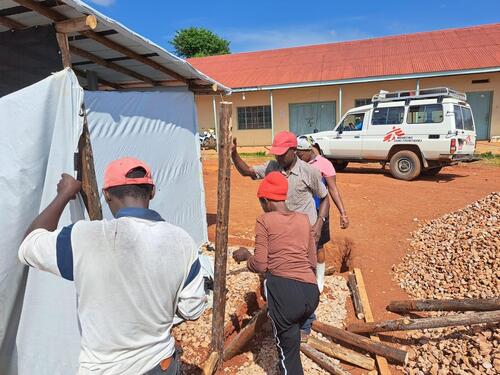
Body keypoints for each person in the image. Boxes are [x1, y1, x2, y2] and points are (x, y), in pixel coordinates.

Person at [18, 157, 206, 375]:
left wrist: (64, 194)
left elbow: (28, 245)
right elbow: (192, 309)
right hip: (160, 364)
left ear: (106, 194)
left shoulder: (85, 237)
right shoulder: (182, 241)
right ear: (152, 192)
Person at [232, 131, 328, 338]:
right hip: (280, 230)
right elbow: (248, 171)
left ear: (294, 151)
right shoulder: (271, 167)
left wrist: (320, 223)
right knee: (279, 272)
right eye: (275, 153)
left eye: (282, 153)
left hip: (303, 230)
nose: (277, 157)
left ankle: (306, 319)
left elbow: (324, 197)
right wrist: (233, 154)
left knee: (304, 271)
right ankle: (283, 312)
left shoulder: (308, 172)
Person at [233, 172, 319, 375]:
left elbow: (261, 264)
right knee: (293, 337)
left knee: (288, 359)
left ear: (265, 200)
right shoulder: (303, 219)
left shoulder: (265, 220)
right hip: (311, 292)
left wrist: (247, 257)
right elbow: (312, 262)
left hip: (286, 295)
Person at [296, 136, 349, 292]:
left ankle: (319, 280)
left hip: (319, 211)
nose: (297, 156)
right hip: (299, 210)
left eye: (299, 153)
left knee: (318, 245)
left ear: (308, 151)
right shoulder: (296, 163)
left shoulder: (324, 164)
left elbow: (332, 189)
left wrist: (343, 213)